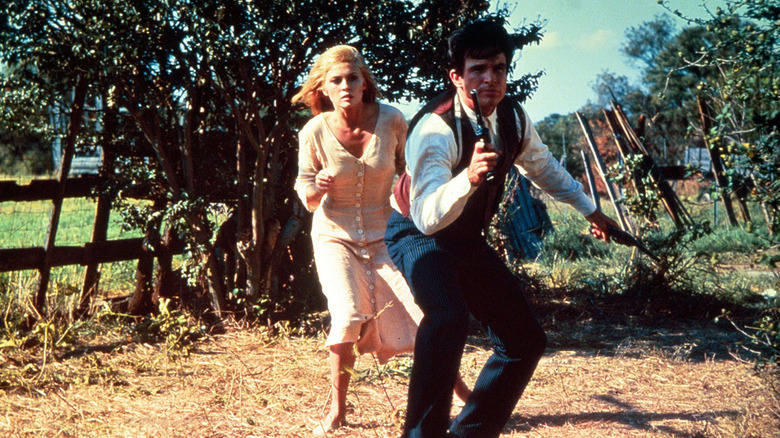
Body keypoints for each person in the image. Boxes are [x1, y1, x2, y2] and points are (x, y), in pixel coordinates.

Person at [384, 19, 619, 438]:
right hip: (418, 232)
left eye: (499, 68)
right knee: (448, 316)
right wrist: (468, 179)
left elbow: (544, 167)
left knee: (524, 339)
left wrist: (589, 210)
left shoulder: (512, 117)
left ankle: (469, 433)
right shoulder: (434, 129)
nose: (490, 79)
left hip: (462, 237)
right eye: (477, 70)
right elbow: (426, 216)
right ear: (456, 76)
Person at [291, 45, 470, 434]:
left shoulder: (391, 120)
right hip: (334, 236)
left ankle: (459, 391)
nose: (345, 87)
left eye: (352, 78)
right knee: (348, 315)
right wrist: (317, 187)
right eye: (335, 81)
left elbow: (414, 171)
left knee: (428, 313)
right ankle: (338, 409)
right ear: (323, 87)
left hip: (386, 234)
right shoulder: (314, 132)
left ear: (364, 82)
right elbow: (304, 190)